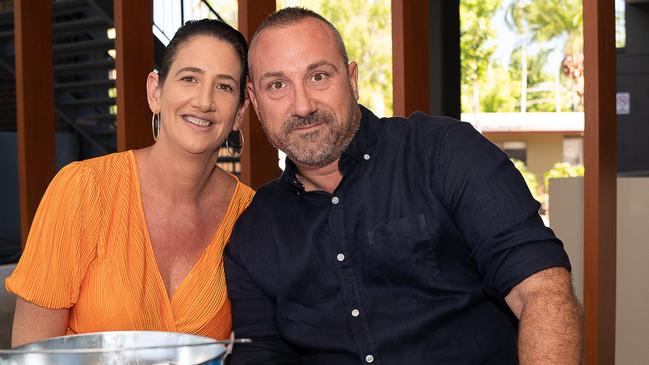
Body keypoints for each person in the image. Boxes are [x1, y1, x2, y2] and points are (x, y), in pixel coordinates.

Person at [224, 7, 582, 365]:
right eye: (277, 85)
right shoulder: (255, 231)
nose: (302, 105)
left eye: (318, 76)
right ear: (255, 101)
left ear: (351, 79)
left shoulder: (445, 153)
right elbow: (260, 355)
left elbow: (543, 291)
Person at [6, 19, 254, 347]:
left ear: (239, 112)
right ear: (156, 90)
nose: (204, 101)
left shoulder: (250, 214)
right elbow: (32, 353)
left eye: (224, 86)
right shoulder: (83, 189)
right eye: (189, 78)